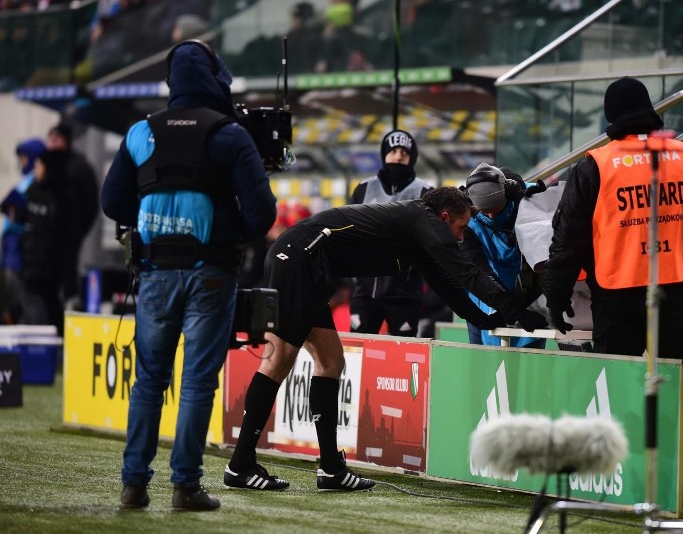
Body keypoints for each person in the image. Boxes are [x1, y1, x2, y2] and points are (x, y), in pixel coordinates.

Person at [225, 186, 548, 492]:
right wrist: (515, 310)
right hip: (298, 260)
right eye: (461, 227)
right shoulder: (424, 221)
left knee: (331, 361)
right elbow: (467, 272)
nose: (462, 236)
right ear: (445, 217)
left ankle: (331, 469)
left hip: (306, 262)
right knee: (279, 359)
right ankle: (240, 465)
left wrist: (490, 319)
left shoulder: (419, 233)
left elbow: (448, 285)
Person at [100, 39, 277, 511]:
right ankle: (185, 486)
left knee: (149, 381)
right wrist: (226, 225)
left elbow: (112, 203)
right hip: (211, 273)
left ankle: (134, 484)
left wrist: (155, 210)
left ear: (170, 81)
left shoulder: (140, 132)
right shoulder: (230, 133)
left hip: (155, 273)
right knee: (198, 382)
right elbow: (261, 214)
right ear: (217, 77)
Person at [544, 77, 683, 360]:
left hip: (615, 298)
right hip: (672, 292)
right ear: (649, 109)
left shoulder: (595, 166)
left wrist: (556, 297)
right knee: (680, 391)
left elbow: (568, 240)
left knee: (617, 392)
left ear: (610, 117)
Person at [349, 130, 432, 337]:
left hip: (405, 293)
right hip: (365, 291)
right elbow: (350, 233)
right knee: (357, 350)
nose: (398, 156)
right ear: (384, 154)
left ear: (411, 157)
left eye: (404, 152)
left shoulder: (425, 192)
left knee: (403, 355)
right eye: (393, 150)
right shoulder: (363, 188)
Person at [461, 163, 547, 348]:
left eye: (496, 209)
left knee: (532, 363)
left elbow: (542, 259)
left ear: (508, 194)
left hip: (530, 292)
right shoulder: (465, 219)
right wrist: (513, 310)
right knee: (484, 363)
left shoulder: (532, 200)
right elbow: (480, 273)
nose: (491, 216)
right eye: (485, 211)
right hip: (485, 292)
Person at [19, 150, 74, 332]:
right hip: (30, 261)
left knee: (46, 305)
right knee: (33, 305)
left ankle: (51, 344)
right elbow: (22, 215)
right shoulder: (32, 189)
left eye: (39, 165)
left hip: (48, 264)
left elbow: (58, 229)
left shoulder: (59, 195)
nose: (36, 169)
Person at [45, 121, 99, 302]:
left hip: (68, 237)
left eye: (56, 139)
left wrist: (76, 232)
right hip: (45, 242)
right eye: (49, 139)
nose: (51, 144)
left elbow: (90, 204)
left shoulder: (78, 167)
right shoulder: (44, 166)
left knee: (67, 282)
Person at [0, 138, 46, 323]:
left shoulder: (35, 184)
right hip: (13, 253)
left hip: (24, 253)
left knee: (29, 301)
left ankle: (35, 348)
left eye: (25, 158)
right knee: (17, 301)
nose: (22, 163)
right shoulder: (26, 182)